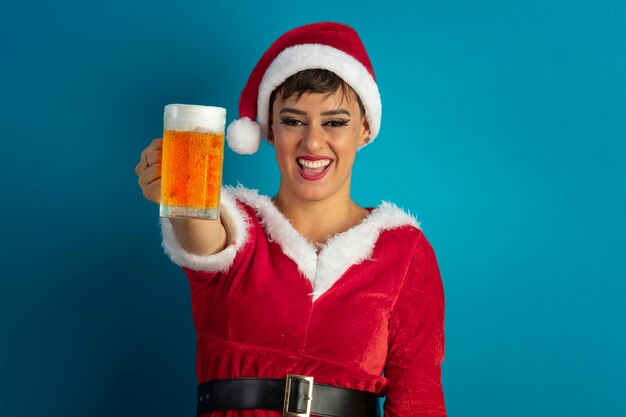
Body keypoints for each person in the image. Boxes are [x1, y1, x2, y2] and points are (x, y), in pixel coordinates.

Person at [136, 22, 446, 417]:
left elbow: (420, 401)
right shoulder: (236, 228)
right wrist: (177, 192)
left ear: (365, 128)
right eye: (293, 121)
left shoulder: (404, 251)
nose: (313, 142)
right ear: (268, 130)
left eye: (334, 122)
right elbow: (199, 231)